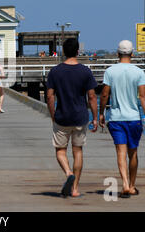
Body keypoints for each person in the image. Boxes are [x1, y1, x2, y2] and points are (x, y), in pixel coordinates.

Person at [46, 38, 98, 198]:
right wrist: (95, 117)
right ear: (77, 51)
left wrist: (53, 115)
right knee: (78, 151)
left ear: (63, 51)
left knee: (60, 151)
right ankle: (75, 189)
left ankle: (68, 173)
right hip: (80, 117)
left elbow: (49, 97)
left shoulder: (55, 71)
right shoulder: (85, 71)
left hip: (62, 117)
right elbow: (92, 97)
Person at [99, 40, 145, 198]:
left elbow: (105, 94)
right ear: (132, 54)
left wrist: (102, 113)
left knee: (120, 152)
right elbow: (142, 96)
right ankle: (133, 186)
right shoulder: (139, 72)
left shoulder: (110, 71)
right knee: (133, 153)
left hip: (116, 118)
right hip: (134, 118)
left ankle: (125, 185)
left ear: (117, 54)